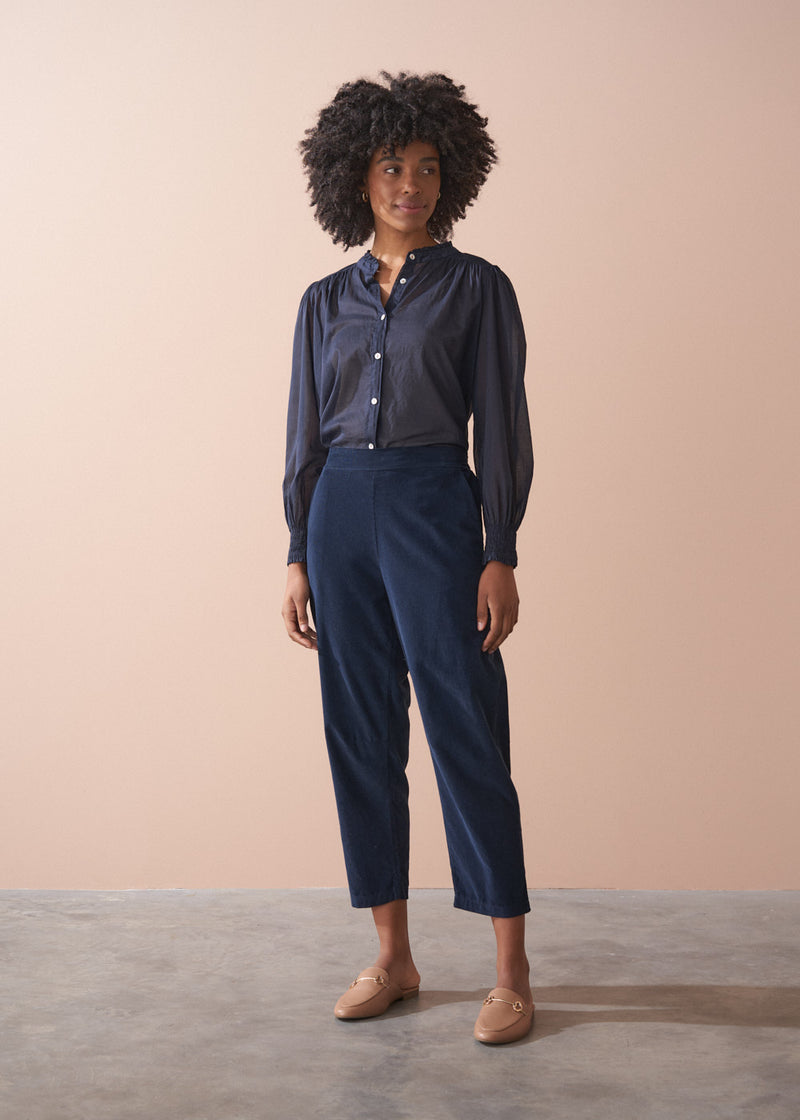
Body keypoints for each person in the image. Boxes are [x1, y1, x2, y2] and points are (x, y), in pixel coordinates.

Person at [281, 72, 534, 1044]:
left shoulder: (478, 288)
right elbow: (304, 435)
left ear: (449, 178)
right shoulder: (320, 302)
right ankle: (393, 954)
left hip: (435, 504)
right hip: (340, 509)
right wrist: (297, 551)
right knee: (360, 732)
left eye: (427, 168)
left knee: (465, 725)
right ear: (357, 173)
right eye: (392, 166)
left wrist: (499, 547)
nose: (409, 184)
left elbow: (501, 430)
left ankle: (510, 969)